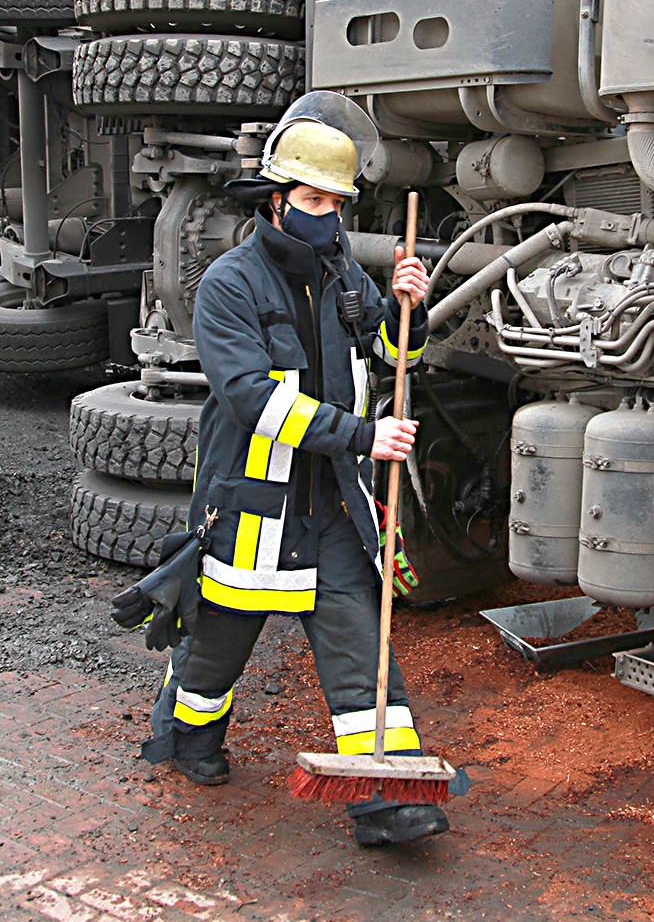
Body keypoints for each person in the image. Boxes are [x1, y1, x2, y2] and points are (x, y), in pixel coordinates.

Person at [140, 91, 446, 848]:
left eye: (337, 203)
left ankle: (389, 793)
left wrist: (407, 311)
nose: (327, 216)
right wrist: (362, 437)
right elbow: (253, 399)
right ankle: (187, 736)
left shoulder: (344, 274)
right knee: (215, 649)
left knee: (359, 645)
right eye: (313, 200)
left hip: (333, 508)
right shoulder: (230, 284)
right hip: (252, 509)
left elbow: (391, 355)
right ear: (275, 200)